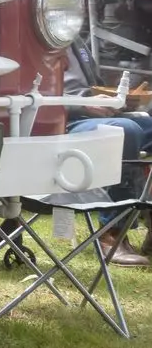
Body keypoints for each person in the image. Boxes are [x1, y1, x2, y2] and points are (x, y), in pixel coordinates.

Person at [63, 35, 152, 266]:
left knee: (136, 126)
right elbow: (24, 93)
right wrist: (81, 105)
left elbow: (92, 87)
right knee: (126, 130)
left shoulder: (73, 39)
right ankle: (112, 232)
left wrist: (119, 99)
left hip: (93, 116)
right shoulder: (29, 36)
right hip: (58, 121)